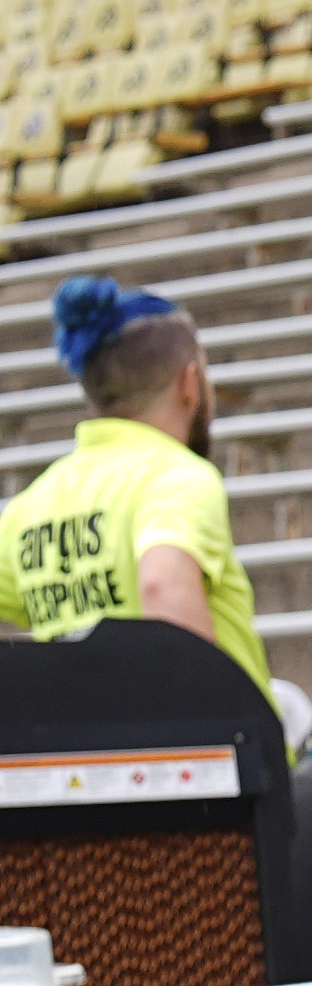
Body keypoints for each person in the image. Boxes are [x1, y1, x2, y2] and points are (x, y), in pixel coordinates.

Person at [7, 280, 264, 694]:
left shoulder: (30, 505)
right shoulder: (178, 478)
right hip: (195, 753)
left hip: (83, 753)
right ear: (190, 383)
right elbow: (162, 582)